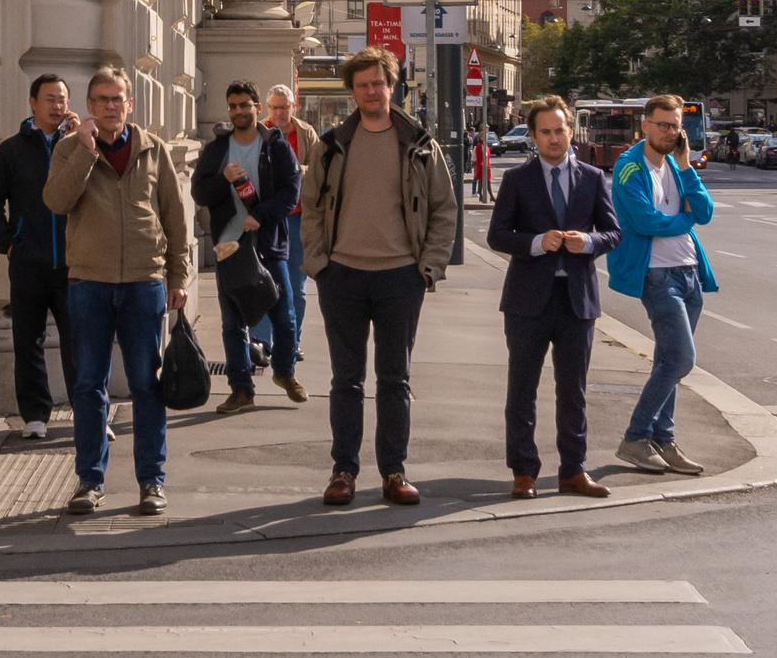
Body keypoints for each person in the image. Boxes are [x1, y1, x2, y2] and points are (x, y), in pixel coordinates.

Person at [301, 47, 457, 508]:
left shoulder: (420, 144)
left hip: (400, 278)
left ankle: (394, 472)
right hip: (342, 275)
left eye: (379, 83)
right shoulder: (330, 145)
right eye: (363, 84)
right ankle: (343, 471)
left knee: (395, 379)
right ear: (352, 91)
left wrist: (428, 268)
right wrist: (318, 263)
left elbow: (444, 209)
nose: (372, 91)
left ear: (393, 86)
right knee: (345, 380)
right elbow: (309, 207)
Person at [43, 67, 192, 517]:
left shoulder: (153, 149)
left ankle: (152, 482)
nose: (111, 106)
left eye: (118, 99)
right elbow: (55, 202)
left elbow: (175, 216)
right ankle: (90, 482)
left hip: (145, 283)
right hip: (88, 282)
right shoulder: (70, 149)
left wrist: (179, 277)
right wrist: (85, 153)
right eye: (102, 99)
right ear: (89, 106)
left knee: (147, 386)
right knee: (89, 386)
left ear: (129, 104)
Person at [484, 96, 620, 500]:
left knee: (573, 390)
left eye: (560, 130)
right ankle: (524, 471)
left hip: (577, 299)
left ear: (570, 131)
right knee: (522, 389)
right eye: (545, 132)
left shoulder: (593, 178)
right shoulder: (517, 180)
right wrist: (537, 243)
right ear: (533, 136)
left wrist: (590, 241)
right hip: (528, 301)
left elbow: (613, 233)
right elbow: (497, 236)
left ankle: (573, 470)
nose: (554, 138)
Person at [607, 95, 717, 477]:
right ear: (646, 126)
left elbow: (704, 211)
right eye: (664, 125)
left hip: (688, 273)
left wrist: (686, 166)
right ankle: (635, 438)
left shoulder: (675, 162)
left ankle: (663, 440)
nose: (671, 133)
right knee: (680, 360)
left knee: (667, 362)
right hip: (656, 274)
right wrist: (684, 220)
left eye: (676, 127)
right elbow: (646, 222)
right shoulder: (628, 167)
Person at [192, 80, 303, 415]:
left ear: (258, 108)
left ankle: (284, 373)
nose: (239, 111)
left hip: (268, 246)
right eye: (233, 105)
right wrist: (221, 179)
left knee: (284, 316)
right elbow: (200, 193)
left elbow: (290, 193)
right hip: (229, 248)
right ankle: (241, 389)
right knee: (232, 322)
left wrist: (260, 215)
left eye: (245, 105)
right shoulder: (217, 149)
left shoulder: (275, 146)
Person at [0, 75, 79, 440]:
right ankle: (35, 415)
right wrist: (7, 241)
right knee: (28, 339)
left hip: (75, 264)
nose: (57, 106)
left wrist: (82, 140)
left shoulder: (79, 145)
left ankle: (87, 411)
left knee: (80, 340)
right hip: (27, 261)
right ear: (32, 103)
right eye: (50, 98)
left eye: (63, 99)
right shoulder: (11, 151)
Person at [264, 85, 320, 362]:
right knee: (262, 282)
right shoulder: (258, 132)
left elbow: (321, 171)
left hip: (298, 218)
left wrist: (295, 169)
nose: (279, 112)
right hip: (266, 220)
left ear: (293, 106)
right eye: (274, 107)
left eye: (284, 107)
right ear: (267, 108)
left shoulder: (306, 133)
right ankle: (262, 341)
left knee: (296, 286)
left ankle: (291, 341)